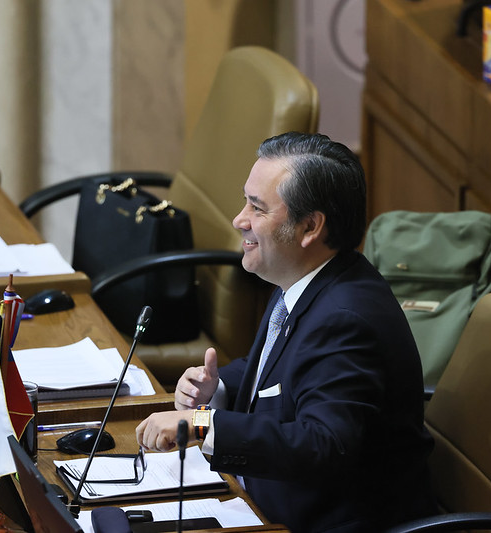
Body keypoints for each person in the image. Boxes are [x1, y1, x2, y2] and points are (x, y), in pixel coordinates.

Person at [135, 132, 435, 532]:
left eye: (257, 208)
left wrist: (203, 424)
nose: (239, 220)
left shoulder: (345, 320)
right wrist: (216, 388)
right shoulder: (307, 278)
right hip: (258, 500)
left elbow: (323, 444)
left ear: (309, 227)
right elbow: (280, 371)